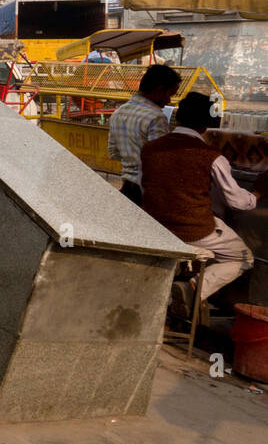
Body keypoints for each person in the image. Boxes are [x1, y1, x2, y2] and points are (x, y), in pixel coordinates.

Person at [141, 92, 263, 308]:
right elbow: (237, 202)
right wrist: (257, 194)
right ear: (207, 124)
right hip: (193, 230)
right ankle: (193, 288)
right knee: (244, 258)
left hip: (155, 225)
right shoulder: (211, 157)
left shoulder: (150, 148)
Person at [108, 63, 181, 204]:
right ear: (160, 90)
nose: (168, 101)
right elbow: (160, 161)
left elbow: (113, 153)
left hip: (127, 188)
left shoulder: (118, 113)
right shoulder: (156, 117)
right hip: (147, 192)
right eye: (169, 94)